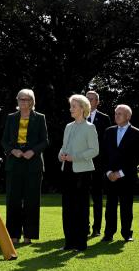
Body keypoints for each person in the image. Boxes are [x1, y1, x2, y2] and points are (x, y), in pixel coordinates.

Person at [1, 89, 49, 246]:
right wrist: (12, 150)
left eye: (26, 99)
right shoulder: (11, 118)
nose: (23, 102)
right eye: (20, 99)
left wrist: (33, 151)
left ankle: (29, 235)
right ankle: (13, 235)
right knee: (13, 201)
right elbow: (4, 141)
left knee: (32, 201)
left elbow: (44, 141)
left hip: (33, 165)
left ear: (32, 101)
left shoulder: (40, 118)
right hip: (14, 164)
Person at [58, 94, 99, 251]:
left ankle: (81, 244)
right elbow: (64, 147)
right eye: (71, 106)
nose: (71, 109)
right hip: (67, 169)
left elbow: (94, 150)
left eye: (74, 106)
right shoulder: (68, 127)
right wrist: (60, 155)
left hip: (83, 172)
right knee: (67, 208)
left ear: (82, 108)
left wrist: (75, 157)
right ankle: (69, 243)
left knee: (80, 208)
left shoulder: (90, 127)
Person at [101, 104, 139, 242]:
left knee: (126, 207)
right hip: (110, 177)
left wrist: (120, 173)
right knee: (110, 207)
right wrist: (108, 172)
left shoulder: (137, 133)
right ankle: (108, 234)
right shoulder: (109, 131)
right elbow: (103, 154)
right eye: (116, 113)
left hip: (127, 177)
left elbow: (137, 157)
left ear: (128, 116)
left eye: (120, 113)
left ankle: (127, 234)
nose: (116, 115)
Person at [85, 90, 112, 237]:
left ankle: (96, 228)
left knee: (97, 198)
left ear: (97, 102)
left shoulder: (104, 118)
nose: (89, 101)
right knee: (82, 197)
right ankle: (84, 227)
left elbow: (107, 143)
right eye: (87, 98)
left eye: (92, 99)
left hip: (98, 165)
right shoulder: (78, 116)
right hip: (80, 163)